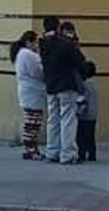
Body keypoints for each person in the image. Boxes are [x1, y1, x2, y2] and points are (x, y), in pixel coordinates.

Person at [40, 15, 94, 166]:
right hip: (67, 86)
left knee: (53, 120)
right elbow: (80, 62)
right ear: (58, 27)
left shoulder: (43, 44)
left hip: (50, 86)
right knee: (68, 120)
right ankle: (68, 154)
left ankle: (52, 152)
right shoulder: (65, 45)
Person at [11, 29, 45, 159]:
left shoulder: (21, 54)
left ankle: (30, 148)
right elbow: (38, 72)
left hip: (28, 91)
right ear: (28, 42)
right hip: (33, 91)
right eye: (35, 42)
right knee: (34, 121)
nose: (37, 45)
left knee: (31, 120)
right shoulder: (28, 55)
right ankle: (30, 148)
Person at [70, 26, 99, 162]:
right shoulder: (94, 84)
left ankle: (82, 154)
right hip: (93, 115)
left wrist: (78, 112)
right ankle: (92, 154)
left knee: (81, 136)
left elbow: (84, 100)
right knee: (91, 136)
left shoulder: (85, 85)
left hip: (85, 116)